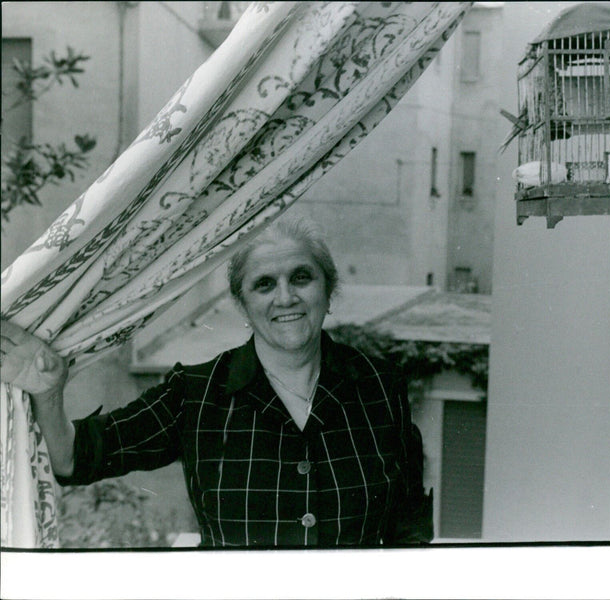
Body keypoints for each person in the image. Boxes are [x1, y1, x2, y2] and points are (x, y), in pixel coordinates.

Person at [0, 217, 432, 547]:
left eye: (301, 277)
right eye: (264, 284)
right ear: (243, 305)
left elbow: (408, 526)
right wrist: (49, 393)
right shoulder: (196, 394)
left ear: (328, 289)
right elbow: (75, 458)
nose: (286, 297)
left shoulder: (379, 385)